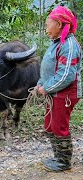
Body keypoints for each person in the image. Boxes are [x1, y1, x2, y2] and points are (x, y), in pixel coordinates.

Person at [36, 6, 82, 172]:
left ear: (60, 25)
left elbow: (66, 76)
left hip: (65, 93)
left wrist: (46, 87)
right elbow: (49, 69)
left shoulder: (69, 45)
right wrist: (40, 84)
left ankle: (64, 162)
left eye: (48, 25)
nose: (46, 29)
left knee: (59, 126)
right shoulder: (57, 43)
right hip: (55, 91)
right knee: (49, 125)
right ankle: (58, 157)